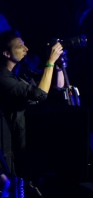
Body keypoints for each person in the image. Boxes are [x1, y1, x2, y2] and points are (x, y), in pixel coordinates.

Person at [0, 30, 63, 178]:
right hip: (7, 147)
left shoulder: (19, 74)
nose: (26, 49)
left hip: (24, 143)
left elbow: (55, 89)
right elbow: (40, 94)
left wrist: (58, 67)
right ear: (7, 54)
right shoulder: (3, 78)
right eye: (20, 46)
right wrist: (50, 62)